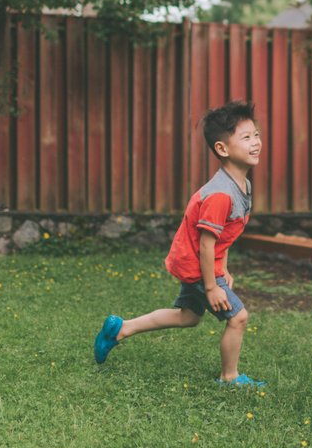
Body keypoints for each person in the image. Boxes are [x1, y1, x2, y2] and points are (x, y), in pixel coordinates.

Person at [93, 100, 266, 387]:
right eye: (246, 137)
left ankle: (121, 329)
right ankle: (229, 377)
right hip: (197, 266)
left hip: (199, 263)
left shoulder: (242, 185)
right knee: (238, 318)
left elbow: (223, 238)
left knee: (188, 316)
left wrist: (224, 269)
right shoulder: (221, 195)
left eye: (256, 134)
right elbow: (206, 244)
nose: (256, 142)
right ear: (222, 149)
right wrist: (212, 286)